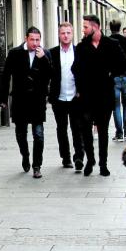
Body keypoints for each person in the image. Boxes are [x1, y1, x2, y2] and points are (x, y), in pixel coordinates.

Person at [72, 15, 126, 176]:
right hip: (86, 95)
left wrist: (112, 74)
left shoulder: (111, 44)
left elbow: (124, 64)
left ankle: (103, 163)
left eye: (85, 27)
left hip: (105, 94)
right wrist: (80, 86)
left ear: (95, 27)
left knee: (103, 130)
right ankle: (90, 160)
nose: (83, 30)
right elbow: (75, 69)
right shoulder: (82, 47)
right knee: (86, 129)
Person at [0, 27, 51, 178]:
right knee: (21, 133)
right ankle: (25, 155)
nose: (35, 43)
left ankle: (37, 165)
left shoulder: (44, 53)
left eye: (38, 40)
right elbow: (6, 76)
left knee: (39, 134)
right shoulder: (15, 53)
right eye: (32, 40)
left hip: (37, 100)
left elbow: (51, 75)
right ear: (26, 38)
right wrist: (3, 98)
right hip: (20, 100)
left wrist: (44, 59)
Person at [49, 22, 84, 170]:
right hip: (59, 97)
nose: (65, 35)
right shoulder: (52, 53)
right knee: (61, 129)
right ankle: (66, 157)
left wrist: (81, 90)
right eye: (63, 33)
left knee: (77, 128)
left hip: (76, 97)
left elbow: (84, 74)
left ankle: (79, 157)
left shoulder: (79, 52)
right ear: (59, 35)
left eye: (68, 33)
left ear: (72, 34)